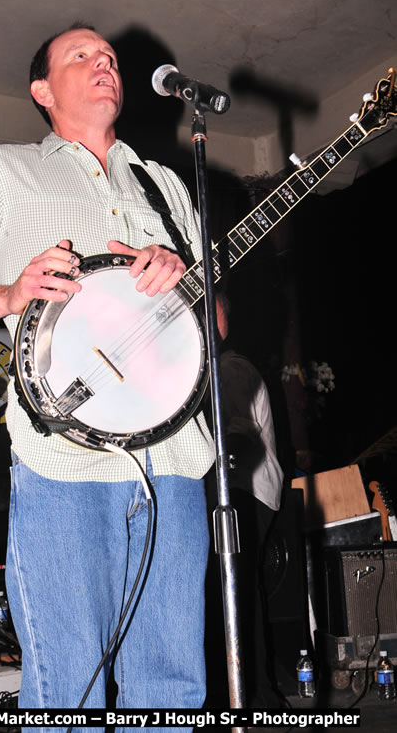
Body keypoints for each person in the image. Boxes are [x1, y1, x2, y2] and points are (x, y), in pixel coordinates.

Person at [0, 23, 216, 722]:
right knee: (68, 686)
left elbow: (217, 328)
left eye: (108, 57)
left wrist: (182, 279)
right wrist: (10, 295)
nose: (103, 61)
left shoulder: (163, 183)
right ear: (42, 91)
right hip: (63, 462)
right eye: (81, 55)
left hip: (176, 459)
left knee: (173, 690)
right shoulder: (5, 171)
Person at [214, 294, 284, 707]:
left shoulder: (228, 369)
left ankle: (254, 695)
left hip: (243, 490)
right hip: (253, 492)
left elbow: (236, 433)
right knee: (240, 590)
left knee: (235, 592)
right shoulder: (229, 367)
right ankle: (250, 691)